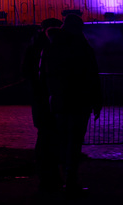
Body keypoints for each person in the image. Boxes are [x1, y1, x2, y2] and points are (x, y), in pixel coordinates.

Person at [41, 12, 103, 194]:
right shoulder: (82, 47)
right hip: (79, 100)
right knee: (74, 141)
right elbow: (92, 75)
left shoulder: (52, 46)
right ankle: (70, 179)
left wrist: (51, 95)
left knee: (62, 139)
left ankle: (59, 177)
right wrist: (96, 100)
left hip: (59, 100)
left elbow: (43, 74)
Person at [24, 17, 63, 191]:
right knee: (49, 137)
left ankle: (47, 175)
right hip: (47, 98)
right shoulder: (48, 47)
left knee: (45, 137)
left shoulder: (35, 45)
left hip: (40, 97)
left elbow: (26, 70)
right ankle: (49, 176)